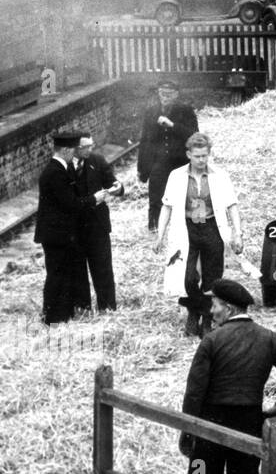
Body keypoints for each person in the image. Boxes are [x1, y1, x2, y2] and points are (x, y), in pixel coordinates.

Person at [180, 279, 276, 474]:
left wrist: (188, 431)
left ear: (228, 308)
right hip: (248, 427)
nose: (211, 311)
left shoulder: (212, 340)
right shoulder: (269, 339)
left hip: (208, 430)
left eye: (214, 305)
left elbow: (194, 392)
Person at [154, 132, 243, 337]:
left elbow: (232, 206)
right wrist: (160, 236)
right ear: (188, 155)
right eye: (197, 156)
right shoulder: (176, 176)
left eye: (205, 155)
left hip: (211, 228)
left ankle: (205, 320)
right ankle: (193, 311)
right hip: (187, 229)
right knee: (188, 278)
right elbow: (166, 207)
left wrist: (238, 234)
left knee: (213, 278)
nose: (202, 160)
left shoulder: (220, 175)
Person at [34, 130, 100, 325]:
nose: (74, 153)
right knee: (56, 274)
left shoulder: (59, 169)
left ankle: (62, 314)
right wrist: (94, 199)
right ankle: (52, 317)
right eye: (72, 150)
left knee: (62, 273)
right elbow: (70, 203)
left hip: (59, 233)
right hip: (56, 234)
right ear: (64, 150)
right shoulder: (55, 172)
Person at [137, 80, 198, 232]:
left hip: (180, 160)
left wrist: (172, 126)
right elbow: (144, 140)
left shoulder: (186, 111)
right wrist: (142, 168)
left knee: (187, 194)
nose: (165, 97)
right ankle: (154, 227)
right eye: (163, 94)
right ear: (158, 93)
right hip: (158, 161)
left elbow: (194, 135)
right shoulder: (151, 111)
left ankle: (192, 225)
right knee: (156, 195)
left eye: (169, 94)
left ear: (176, 95)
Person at [74, 133, 125, 313]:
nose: (90, 149)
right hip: (76, 227)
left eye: (91, 145)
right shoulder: (64, 167)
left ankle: (107, 308)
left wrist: (118, 188)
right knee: (78, 271)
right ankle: (83, 309)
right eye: (85, 147)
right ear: (75, 148)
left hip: (98, 226)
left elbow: (112, 182)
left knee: (103, 269)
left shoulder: (97, 160)